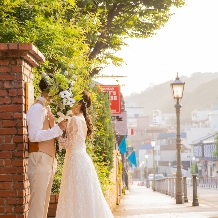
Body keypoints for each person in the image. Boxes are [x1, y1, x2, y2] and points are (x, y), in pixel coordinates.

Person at [56, 90, 114, 218]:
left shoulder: (74, 120)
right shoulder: (82, 119)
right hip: (83, 159)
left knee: (74, 195)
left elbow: (66, 144)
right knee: (85, 196)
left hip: (74, 160)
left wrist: (56, 132)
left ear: (79, 103)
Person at [26, 74, 67, 218]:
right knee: (37, 207)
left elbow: (50, 132)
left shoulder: (46, 109)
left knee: (44, 207)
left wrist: (59, 128)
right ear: (51, 89)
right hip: (39, 159)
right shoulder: (37, 109)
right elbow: (34, 135)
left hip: (48, 160)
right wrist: (57, 129)